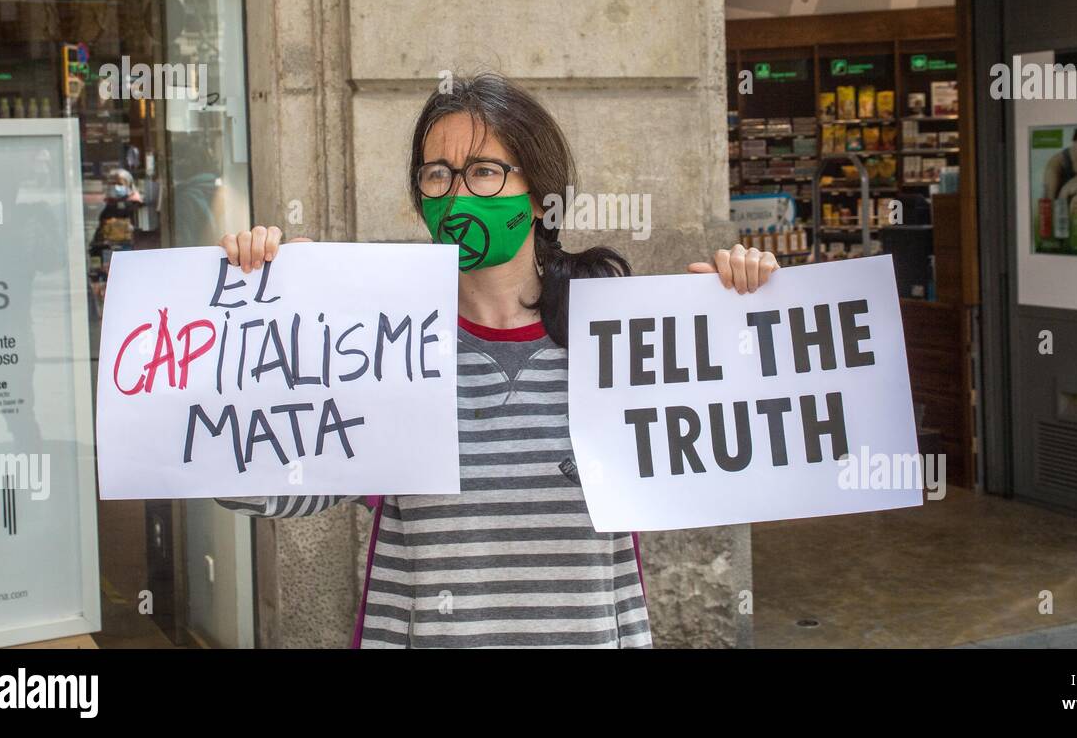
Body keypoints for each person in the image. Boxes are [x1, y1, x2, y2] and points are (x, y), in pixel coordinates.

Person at [216, 72, 779, 648]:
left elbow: (738, 471)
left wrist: (745, 321)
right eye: (438, 175)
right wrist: (259, 323)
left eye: (484, 171)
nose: (457, 194)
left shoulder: (614, 342)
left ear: (539, 195)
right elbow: (257, 488)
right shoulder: (383, 345)